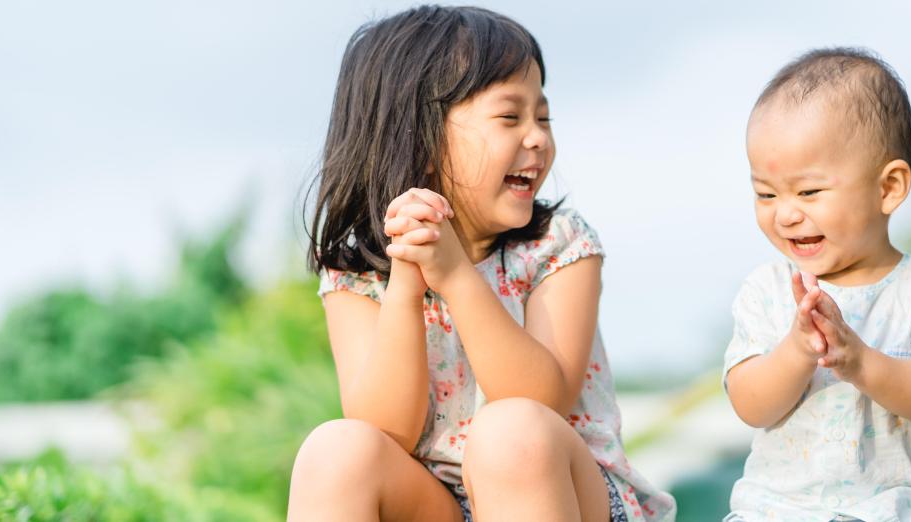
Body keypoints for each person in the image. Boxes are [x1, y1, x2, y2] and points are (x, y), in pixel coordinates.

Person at [287, 6, 675, 522]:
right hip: (437, 502)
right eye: (510, 117)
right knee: (336, 451)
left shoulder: (557, 245)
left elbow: (541, 399)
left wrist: (454, 277)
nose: (537, 137)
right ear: (420, 140)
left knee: (510, 432)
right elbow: (386, 429)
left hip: (562, 494)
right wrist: (406, 286)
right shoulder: (357, 269)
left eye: (543, 116)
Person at [723, 47, 911, 521]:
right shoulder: (766, 290)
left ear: (888, 188)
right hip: (782, 510)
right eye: (765, 193)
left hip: (907, 508)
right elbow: (750, 403)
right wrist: (798, 351)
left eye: (809, 191)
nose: (785, 212)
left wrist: (860, 361)